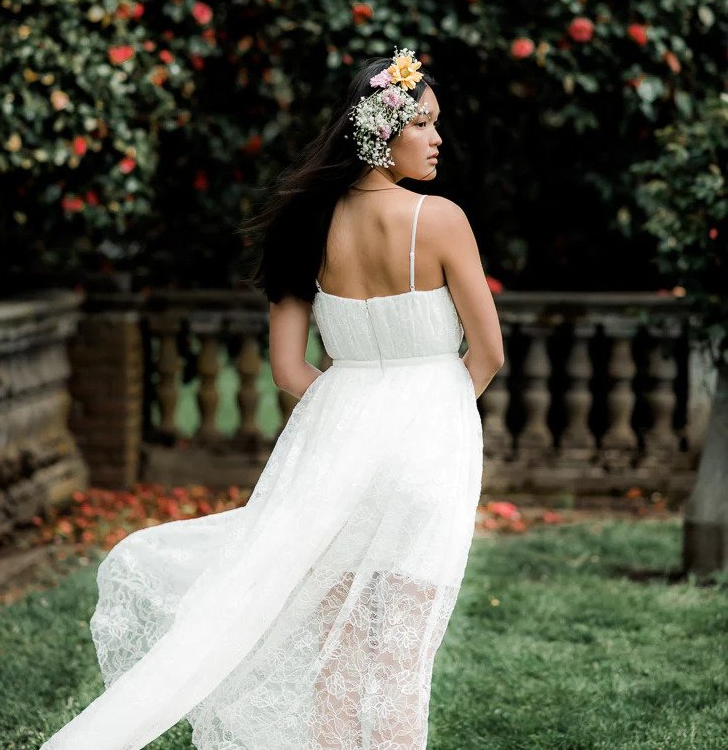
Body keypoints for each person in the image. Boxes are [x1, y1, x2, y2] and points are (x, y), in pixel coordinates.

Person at [39, 47, 504, 750]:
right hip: (428, 454)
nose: (437, 139)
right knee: (403, 652)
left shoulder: (303, 227)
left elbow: (290, 369)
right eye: (423, 123)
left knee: (335, 647)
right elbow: (489, 352)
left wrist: (359, 420)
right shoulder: (439, 220)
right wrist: (426, 420)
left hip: (334, 450)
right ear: (382, 130)